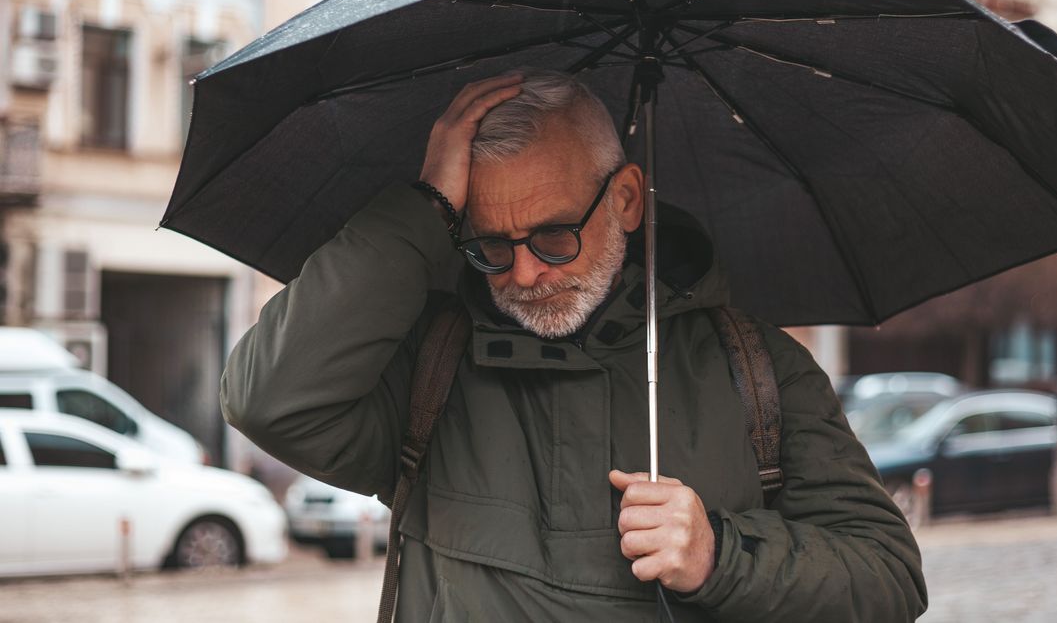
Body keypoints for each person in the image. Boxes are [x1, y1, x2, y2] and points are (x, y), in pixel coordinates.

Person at [221, 68, 927, 621]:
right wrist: (425, 207)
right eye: (492, 246)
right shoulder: (433, 366)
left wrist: (721, 554)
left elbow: (889, 579)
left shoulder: (761, 370)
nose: (525, 273)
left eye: (554, 236)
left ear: (625, 198)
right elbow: (270, 402)